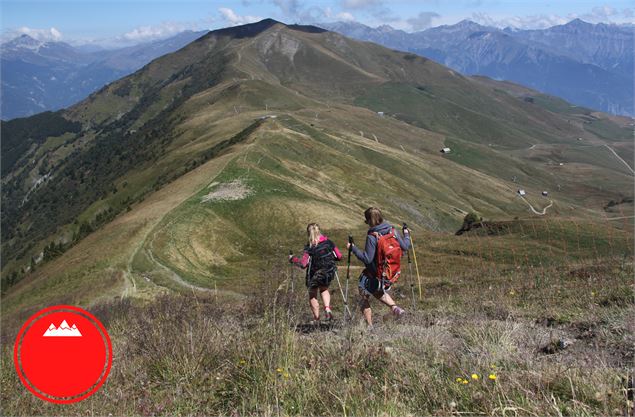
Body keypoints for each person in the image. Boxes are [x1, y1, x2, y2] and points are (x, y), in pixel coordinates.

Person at [347, 207, 410, 327]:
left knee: (363, 294)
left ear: (369, 221)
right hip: (390, 274)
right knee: (377, 291)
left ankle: (369, 326)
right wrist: (406, 235)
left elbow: (367, 259)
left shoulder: (372, 236)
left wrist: (353, 248)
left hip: (376, 275)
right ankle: (396, 309)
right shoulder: (393, 231)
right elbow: (406, 247)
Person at [289, 223, 342, 323]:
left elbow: (303, 264)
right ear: (319, 231)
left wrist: (293, 259)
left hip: (315, 274)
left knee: (313, 293)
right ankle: (327, 308)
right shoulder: (329, 243)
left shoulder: (309, 247)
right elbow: (339, 256)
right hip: (329, 272)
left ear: (308, 233)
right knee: (324, 289)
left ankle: (316, 319)